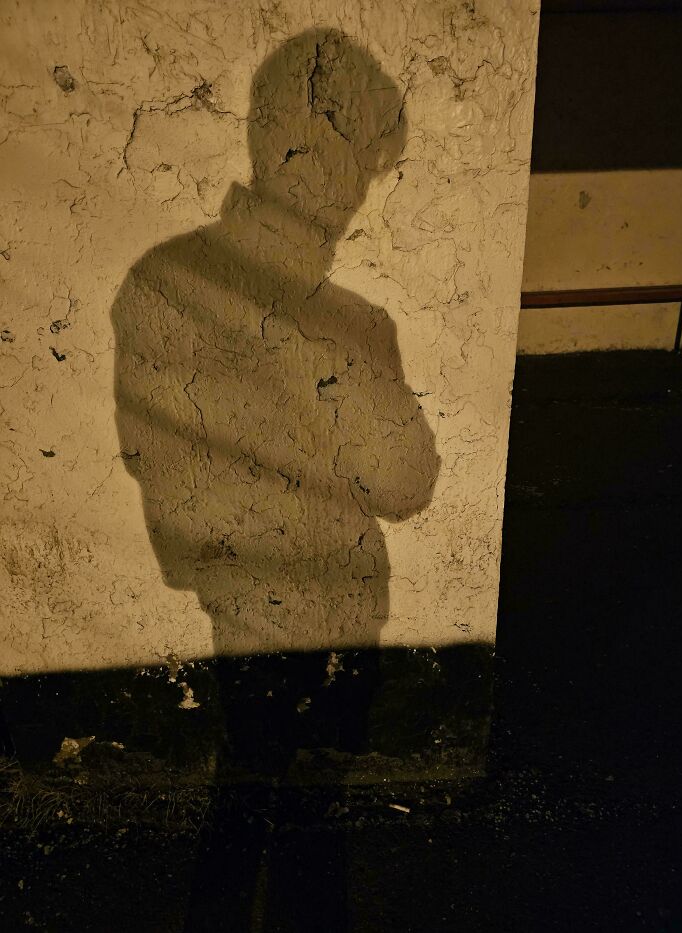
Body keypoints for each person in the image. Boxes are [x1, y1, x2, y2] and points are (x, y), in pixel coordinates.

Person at [112, 29, 439, 929]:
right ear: (287, 145)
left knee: (279, 820)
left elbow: (408, 482)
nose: (355, 191)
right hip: (273, 627)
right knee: (284, 824)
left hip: (327, 621)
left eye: (366, 167)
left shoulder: (338, 317)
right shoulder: (186, 289)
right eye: (351, 160)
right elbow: (178, 508)